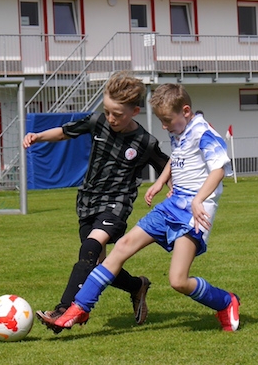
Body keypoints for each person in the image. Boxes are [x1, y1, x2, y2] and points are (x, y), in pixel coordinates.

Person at [54, 82, 242, 332]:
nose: (164, 126)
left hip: (193, 214)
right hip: (171, 205)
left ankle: (226, 301)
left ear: (186, 111)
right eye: (161, 120)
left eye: (166, 120)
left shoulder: (204, 133)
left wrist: (198, 200)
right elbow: (176, 159)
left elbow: (219, 169)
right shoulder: (180, 129)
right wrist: (161, 181)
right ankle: (79, 308)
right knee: (122, 246)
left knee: (178, 280)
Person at [24, 71, 169, 333]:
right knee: (97, 266)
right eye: (107, 111)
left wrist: (172, 188)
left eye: (118, 114)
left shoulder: (145, 142)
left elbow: (167, 165)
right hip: (87, 201)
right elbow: (66, 132)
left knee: (90, 247)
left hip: (116, 204)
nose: (111, 118)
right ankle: (137, 286)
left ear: (135, 111)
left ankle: (64, 310)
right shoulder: (97, 122)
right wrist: (38, 136)